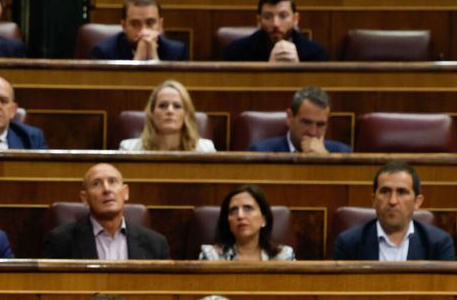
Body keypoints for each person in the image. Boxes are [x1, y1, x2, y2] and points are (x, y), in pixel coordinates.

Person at [41, 162, 171, 260]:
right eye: (96, 184)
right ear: (85, 198)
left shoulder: (156, 244)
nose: (107, 189)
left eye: (112, 182)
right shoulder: (60, 241)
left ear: (125, 192)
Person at [333, 161, 455, 261]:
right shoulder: (349, 243)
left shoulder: (439, 244)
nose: (392, 201)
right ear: (374, 200)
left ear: (417, 202)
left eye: (402, 192)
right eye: (385, 192)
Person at [221, 0, 328, 63]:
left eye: (283, 16)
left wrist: (297, 70)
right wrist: (267, 69)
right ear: (259, 20)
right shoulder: (236, 52)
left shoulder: (316, 54)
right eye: (268, 17)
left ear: (295, 19)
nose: (275, 24)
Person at [199, 185, 295, 260]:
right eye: (233, 210)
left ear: (263, 220)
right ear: (228, 221)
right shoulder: (212, 256)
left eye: (248, 208)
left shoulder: (283, 256)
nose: (240, 215)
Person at [247, 86, 351, 154]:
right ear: (290, 117)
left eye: (320, 125)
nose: (312, 132)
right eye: (306, 122)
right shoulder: (261, 152)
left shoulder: (342, 153)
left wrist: (326, 161)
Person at [119, 80, 215, 152]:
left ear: (186, 113)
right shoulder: (128, 149)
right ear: (152, 113)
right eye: (163, 106)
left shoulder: (206, 150)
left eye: (177, 106)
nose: (170, 111)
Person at [90, 0, 188, 61]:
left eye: (150, 23)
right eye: (135, 24)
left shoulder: (177, 52)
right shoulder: (104, 53)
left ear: (160, 24)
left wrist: (155, 60)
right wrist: (137, 61)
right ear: (124, 26)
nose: (143, 31)